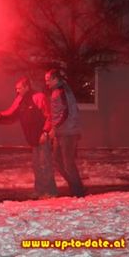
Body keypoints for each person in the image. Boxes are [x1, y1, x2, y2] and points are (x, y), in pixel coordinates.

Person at [0, 77, 58, 199]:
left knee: (45, 164)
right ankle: (40, 190)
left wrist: (45, 132)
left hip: (42, 136)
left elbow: (48, 115)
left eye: (19, 88)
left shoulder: (38, 97)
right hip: (32, 138)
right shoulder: (20, 99)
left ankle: (51, 192)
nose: (17, 90)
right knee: (37, 165)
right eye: (16, 88)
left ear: (27, 87)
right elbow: (11, 112)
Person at [44, 69, 86, 197]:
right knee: (58, 160)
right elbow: (59, 112)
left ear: (55, 79)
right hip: (62, 132)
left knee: (68, 163)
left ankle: (78, 192)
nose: (46, 83)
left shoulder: (61, 91)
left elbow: (65, 112)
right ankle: (76, 188)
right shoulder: (58, 91)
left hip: (68, 132)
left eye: (48, 79)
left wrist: (54, 128)